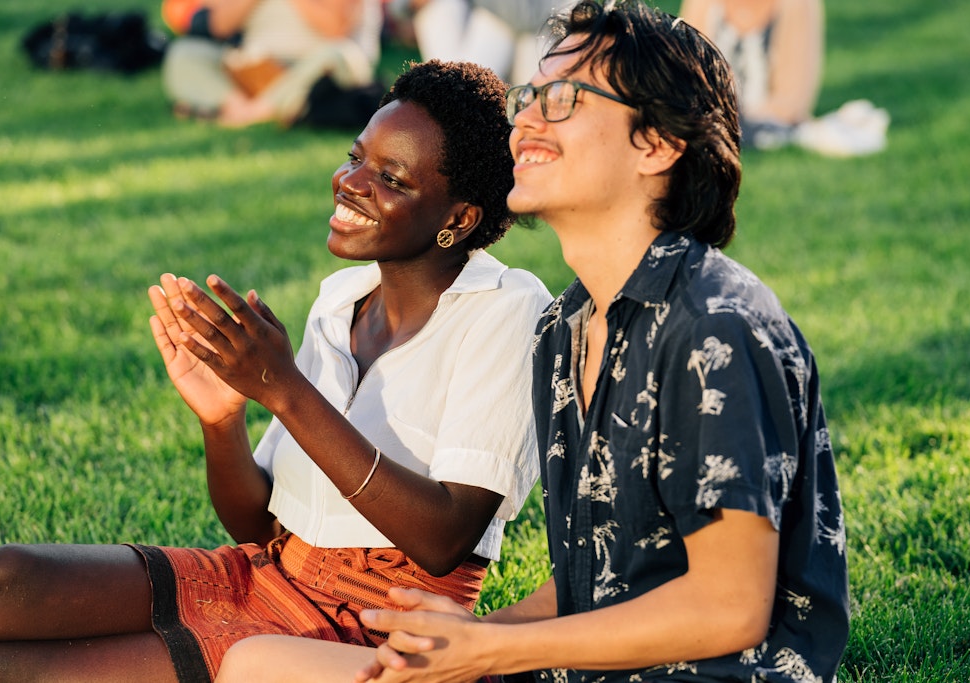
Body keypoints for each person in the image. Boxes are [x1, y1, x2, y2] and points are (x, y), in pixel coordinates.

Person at [213, 1, 851, 681]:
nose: (525, 120)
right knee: (260, 662)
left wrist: (493, 652)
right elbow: (597, 579)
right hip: (582, 669)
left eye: (565, 97)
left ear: (658, 145)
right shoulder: (563, 329)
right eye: (531, 94)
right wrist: (467, 638)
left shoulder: (716, 326)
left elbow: (730, 608)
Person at [0, 59, 552, 682]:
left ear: (459, 219)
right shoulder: (342, 300)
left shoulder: (507, 310)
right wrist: (222, 420)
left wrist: (284, 388)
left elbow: (445, 539)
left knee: (16, 671)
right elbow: (258, 524)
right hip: (267, 574)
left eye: (390, 178)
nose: (351, 182)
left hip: (367, 625)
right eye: (356, 156)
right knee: (2, 578)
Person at [162, 0, 383, 127]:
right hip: (260, 69)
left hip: (321, 68)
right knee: (185, 53)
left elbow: (335, 28)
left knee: (337, 54)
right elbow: (219, 26)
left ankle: (253, 112)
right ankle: (238, 105)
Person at [679, 0, 823, 149]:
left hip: (770, 124)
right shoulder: (702, 4)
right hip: (709, 118)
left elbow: (793, 102)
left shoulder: (796, 5)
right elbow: (688, 77)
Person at [390, 0, 577, 86]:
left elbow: (528, 16)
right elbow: (400, 7)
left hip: (543, 25)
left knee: (535, 94)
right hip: (491, 19)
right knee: (439, 7)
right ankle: (449, 87)